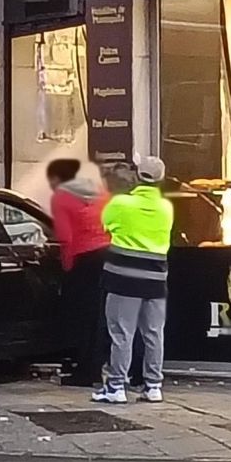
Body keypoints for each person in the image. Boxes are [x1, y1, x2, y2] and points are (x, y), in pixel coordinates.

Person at [92, 156, 173, 405]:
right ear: (160, 179)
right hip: (157, 278)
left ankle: (116, 386)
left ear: (138, 175)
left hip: (123, 278)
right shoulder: (166, 207)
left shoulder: (121, 203)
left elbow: (105, 225)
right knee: (153, 333)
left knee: (121, 333)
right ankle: (153, 385)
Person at [47, 159, 111, 387]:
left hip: (83, 258)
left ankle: (85, 370)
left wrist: (66, 268)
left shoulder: (62, 197)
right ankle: (96, 365)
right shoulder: (100, 193)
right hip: (107, 254)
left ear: (56, 179)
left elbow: (65, 237)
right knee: (99, 315)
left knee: (82, 316)